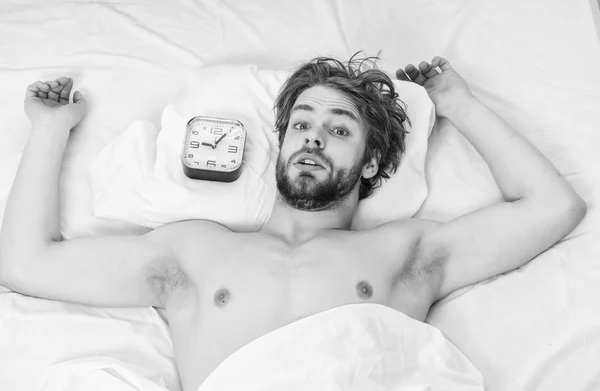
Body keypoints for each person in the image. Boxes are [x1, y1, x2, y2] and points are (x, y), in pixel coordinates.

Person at [0, 54, 586, 391]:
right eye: (302, 124)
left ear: (373, 162)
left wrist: (460, 104)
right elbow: (26, 263)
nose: (312, 137)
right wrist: (49, 130)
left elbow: (551, 207)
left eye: (338, 130)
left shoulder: (403, 252)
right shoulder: (193, 251)